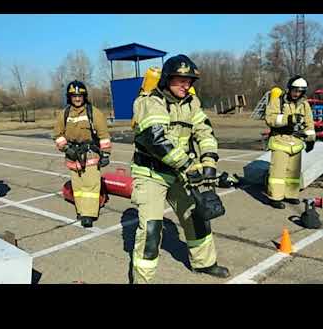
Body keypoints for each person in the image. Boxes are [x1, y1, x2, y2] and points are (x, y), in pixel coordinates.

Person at [130, 54, 230, 284]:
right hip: (151, 173)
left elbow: (205, 132)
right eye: (180, 80)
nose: (187, 85)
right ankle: (142, 280)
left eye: (190, 81)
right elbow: (157, 140)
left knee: (196, 215)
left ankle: (204, 263)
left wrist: (209, 163)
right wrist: (188, 166)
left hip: (180, 173)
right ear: (166, 79)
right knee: (151, 230)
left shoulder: (191, 103)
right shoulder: (150, 101)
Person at [53, 80, 112, 228]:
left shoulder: (94, 113)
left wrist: (105, 154)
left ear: (85, 96)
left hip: (90, 154)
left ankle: (89, 214)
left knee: (91, 185)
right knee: (78, 186)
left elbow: (103, 134)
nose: (77, 99)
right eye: (74, 96)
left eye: (80, 96)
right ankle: (80, 210)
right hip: (72, 155)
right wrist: (66, 149)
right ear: (69, 97)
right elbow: (57, 135)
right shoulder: (64, 114)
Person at [264, 75, 316, 209]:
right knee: (278, 173)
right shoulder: (278, 100)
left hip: (296, 143)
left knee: (293, 173)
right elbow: (270, 118)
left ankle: (291, 195)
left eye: (300, 91)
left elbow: (309, 123)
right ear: (290, 89)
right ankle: (275, 197)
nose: (297, 94)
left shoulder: (304, 104)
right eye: (295, 90)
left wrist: (311, 139)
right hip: (280, 140)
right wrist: (289, 119)